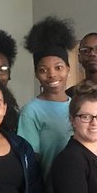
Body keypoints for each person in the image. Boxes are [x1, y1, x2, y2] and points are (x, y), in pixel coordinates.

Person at [17, 16, 76, 174]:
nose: (52, 75)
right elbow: (31, 159)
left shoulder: (78, 106)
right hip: (49, 189)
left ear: (68, 69)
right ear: (36, 74)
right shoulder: (31, 111)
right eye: (43, 70)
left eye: (58, 67)